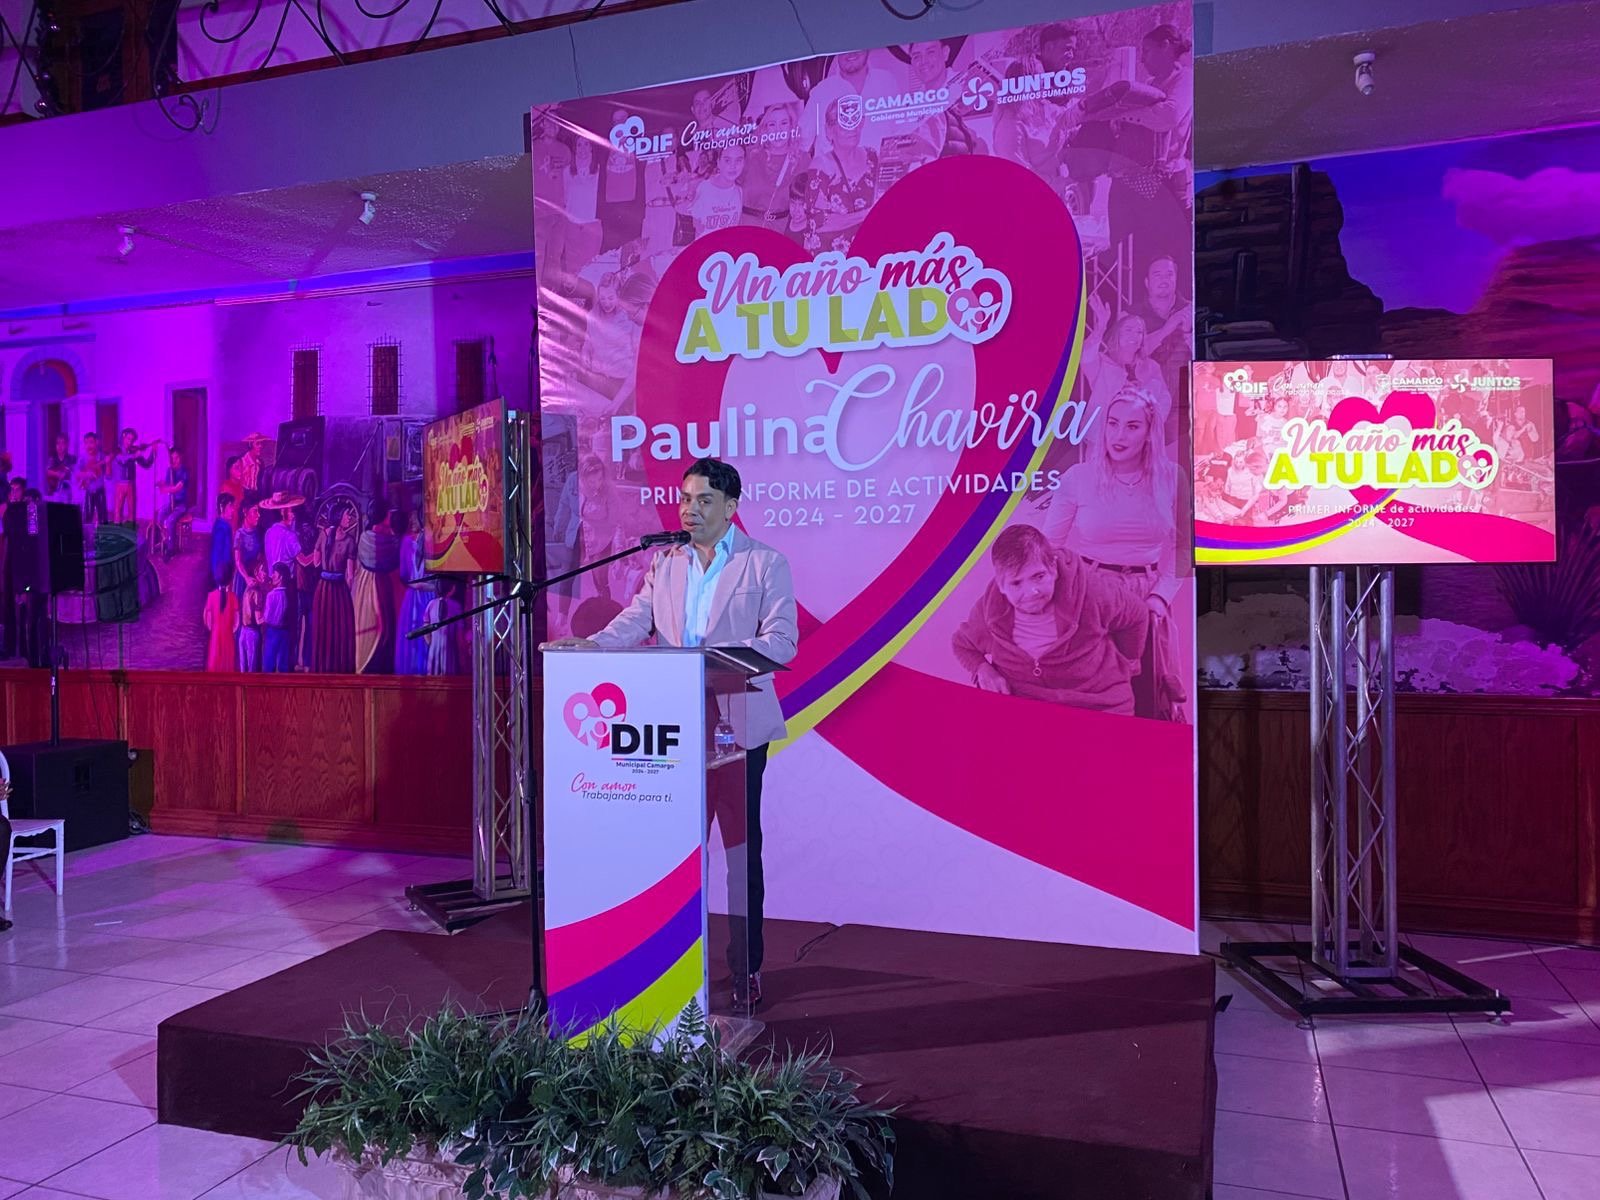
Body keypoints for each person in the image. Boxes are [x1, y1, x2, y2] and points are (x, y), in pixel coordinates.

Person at [559, 457, 798, 1009]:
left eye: (704, 500)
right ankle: (676, 967)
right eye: (686, 498)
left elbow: (782, 640)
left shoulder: (765, 563)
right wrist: (593, 646)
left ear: (731, 507)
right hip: (673, 725)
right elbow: (637, 619)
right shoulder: (666, 562)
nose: (690, 509)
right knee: (676, 854)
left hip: (738, 725)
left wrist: (716, 659)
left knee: (739, 854)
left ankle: (745, 970)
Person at [1041, 386, 1185, 721]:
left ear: (1149, 433)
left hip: (1147, 599)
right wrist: (1071, 596)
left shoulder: (1171, 477)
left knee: (1149, 704)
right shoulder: (1078, 478)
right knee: (1090, 705)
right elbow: (1048, 549)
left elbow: (1185, 548)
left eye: (1132, 426)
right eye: (1113, 423)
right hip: (1090, 597)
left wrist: (1160, 597)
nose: (1119, 435)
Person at [951, 523, 1148, 714]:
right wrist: (983, 669)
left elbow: (1137, 614)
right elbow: (962, 645)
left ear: (1053, 568)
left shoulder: (1092, 592)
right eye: (1016, 583)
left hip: (1098, 702)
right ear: (1001, 585)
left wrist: (1129, 662)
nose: (1031, 592)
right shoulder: (990, 611)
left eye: (1038, 577)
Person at [801, 49, 897, 156]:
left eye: (856, 46)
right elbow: (801, 144)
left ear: (867, 49)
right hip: (833, 167)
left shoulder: (887, 81)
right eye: (844, 48)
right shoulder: (821, 91)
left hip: (884, 165)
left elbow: (901, 130)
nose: (851, 53)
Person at [353, 500, 402, 675]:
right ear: (383, 516)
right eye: (388, 513)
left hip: (364, 585)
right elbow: (393, 562)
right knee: (381, 623)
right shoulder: (391, 541)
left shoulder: (364, 537)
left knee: (373, 623)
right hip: (380, 585)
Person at [311, 503, 359, 673]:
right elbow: (350, 575)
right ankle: (340, 668)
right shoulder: (349, 541)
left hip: (323, 590)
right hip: (340, 591)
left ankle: (323, 667)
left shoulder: (322, 535)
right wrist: (348, 592)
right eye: (347, 515)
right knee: (340, 630)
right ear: (339, 517)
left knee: (324, 629)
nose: (349, 518)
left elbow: (316, 562)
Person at [111, 428, 157, 524]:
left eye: (132, 440)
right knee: (118, 511)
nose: (130, 442)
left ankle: (130, 530)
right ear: (123, 438)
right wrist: (134, 455)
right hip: (120, 484)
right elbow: (122, 460)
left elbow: (146, 464)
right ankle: (117, 530)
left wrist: (153, 452)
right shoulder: (117, 450)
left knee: (132, 511)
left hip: (131, 485)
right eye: (128, 439)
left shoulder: (133, 451)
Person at [154, 447, 190, 561]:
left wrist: (165, 489)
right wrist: (160, 484)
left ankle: (171, 549)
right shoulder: (169, 471)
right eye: (172, 458)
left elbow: (176, 488)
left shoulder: (184, 472)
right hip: (172, 503)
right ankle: (164, 539)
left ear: (181, 458)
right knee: (160, 515)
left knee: (170, 520)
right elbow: (166, 483)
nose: (174, 460)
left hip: (181, 504)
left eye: (176, 458)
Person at [262, 562, 296, 673]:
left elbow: (267, 617)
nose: (272, 576)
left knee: (269, 664)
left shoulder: (271, 595)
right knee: (283, 665)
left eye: (274, 574)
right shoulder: (290, 595)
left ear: (281, 577)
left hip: (272, 631)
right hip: (286, 632)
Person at [203, 582, 240, 673]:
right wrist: (229, 630)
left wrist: (214, 629)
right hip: (228, 635)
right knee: (228, 663)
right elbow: (237, 621)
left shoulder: (211, 596)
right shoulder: (233, 597)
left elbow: (207, 620)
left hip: (215, 635)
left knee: (214, 662)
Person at [77, 432, 109, 527]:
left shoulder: (101, 457)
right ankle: (87, 534)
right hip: (88, 490)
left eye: (91, 442)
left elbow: (108, 476)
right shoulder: (82, 458)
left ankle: (103, 533)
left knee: (102, 516)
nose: (88, 445)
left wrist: (108, 464)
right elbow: (77, 474)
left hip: (100, 490)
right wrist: (87, 474)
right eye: (86, 443)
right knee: (87, 517)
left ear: (97, 442)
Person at [210, 493, 237, 590]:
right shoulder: (221, 528)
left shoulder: (225, 525)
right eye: (230, 506)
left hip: (224, 572)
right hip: (221, 574)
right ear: (222, 507)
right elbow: (220, 556)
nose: (233, 510)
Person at [44, 434, 76, 504]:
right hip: (53, 492)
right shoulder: (52, 459)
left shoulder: (72, 459)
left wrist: (66, 472)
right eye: (58, 443)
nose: (60, 446)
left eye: (63, 443)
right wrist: (57, 474)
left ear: (67, 445)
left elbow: (72, 471)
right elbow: (48, 472)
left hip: (68, 493)